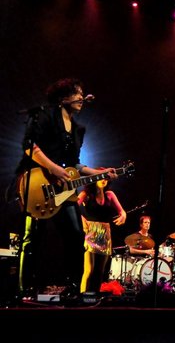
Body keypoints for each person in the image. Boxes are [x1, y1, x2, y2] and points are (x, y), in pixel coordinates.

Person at [14, 77, 119, 299]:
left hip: (64, 190)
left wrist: (101, 173)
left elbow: (75, 164)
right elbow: (29, 147)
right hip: (38, 182)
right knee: (31, 238)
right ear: (63, 98)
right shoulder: (44, 116)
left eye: (82, 93)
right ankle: (24, 291)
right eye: (77, 93)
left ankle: (73, 289)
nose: (82, 97)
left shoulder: (79, 129)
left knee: (75, 235)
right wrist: (53, 168)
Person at [77, 179, 127, 293]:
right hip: (91, 232)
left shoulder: (109, 194)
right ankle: (83, 296)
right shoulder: (86, 194)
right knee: (89, 270)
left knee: (100, 271)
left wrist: (123, 215)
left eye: (106, 178)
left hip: (105, 233)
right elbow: (73, 207)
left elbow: (122, 212)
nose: (104, 180)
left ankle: (95, 296)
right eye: (101, 177)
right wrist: (82, 219)